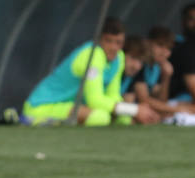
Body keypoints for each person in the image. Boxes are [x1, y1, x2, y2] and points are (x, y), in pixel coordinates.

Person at [21, 19, 152, 126]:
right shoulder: (92, 55)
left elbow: (113, 94)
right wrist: (134, 109)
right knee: (100, 117)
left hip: (70, 106)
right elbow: (94, 100)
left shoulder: (119, 58)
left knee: (123, 119)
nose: (113, 47)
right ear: (99, 39)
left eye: (118, 43)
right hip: (43, 105)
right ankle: (38, 120)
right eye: (108, 41)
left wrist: (128, 111)